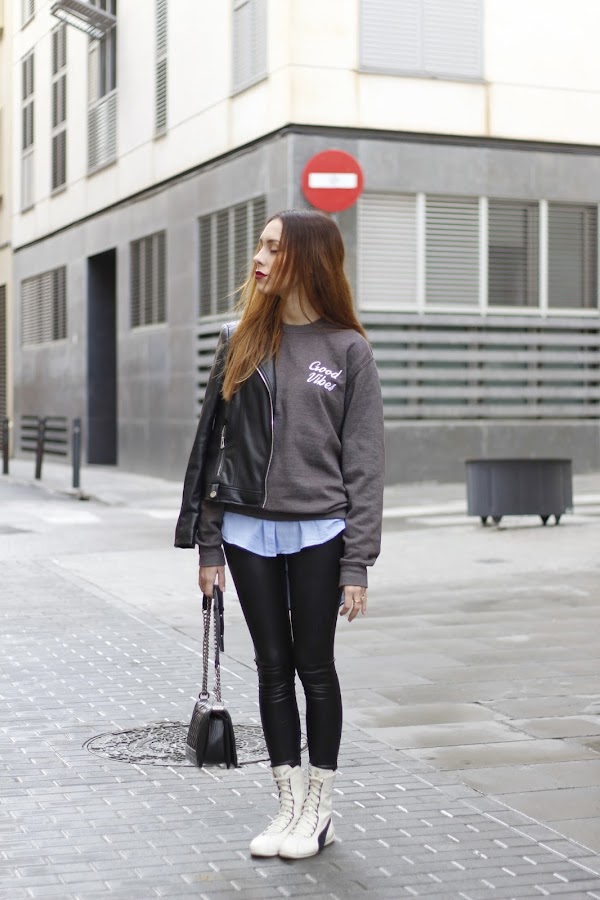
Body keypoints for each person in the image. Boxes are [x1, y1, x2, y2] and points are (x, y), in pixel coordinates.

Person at [175, 208, 384, 860]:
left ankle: (320, 808)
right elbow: (216, 451)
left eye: (272, 247)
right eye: (259, 246)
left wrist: (357, 561)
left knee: (314, 666)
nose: (258, 258)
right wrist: (208, 545)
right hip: (246, 530)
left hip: (320, 529)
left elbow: (365, 462)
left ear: (307, 259)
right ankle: (289, 806)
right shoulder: (241, 341)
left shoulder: (347, 349)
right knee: (271, 666)